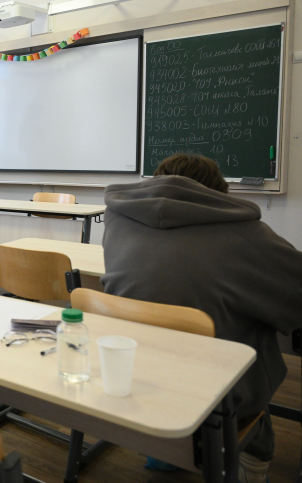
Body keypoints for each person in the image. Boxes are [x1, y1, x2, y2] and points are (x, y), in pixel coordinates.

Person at [101, 153, 302, 483]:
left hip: (136, 378)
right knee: (248, 337)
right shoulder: (247, 235)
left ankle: (168, 452)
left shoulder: (118, 221)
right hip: (219, 398)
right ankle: (254, 461)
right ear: (218, 193)